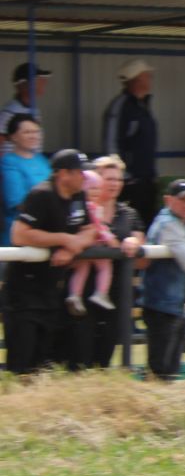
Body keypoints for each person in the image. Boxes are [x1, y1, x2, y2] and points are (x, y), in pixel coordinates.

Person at [4, 149, 94, 372]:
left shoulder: (78, 196)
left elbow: (91, 230)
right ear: (63, 174)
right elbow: (19, 234)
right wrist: (63, 239)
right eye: (80, 172)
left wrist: (72, 248)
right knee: (22, 363)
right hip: (23, 293)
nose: (85, 177)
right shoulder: (41, 195)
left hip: (51, 291)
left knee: (44, 363)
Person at [69, 155, 142, 368]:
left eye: (118, 179)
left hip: (115, 295)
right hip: (82, 294)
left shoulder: (128, 213)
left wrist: (132, 241)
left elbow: (139, 241)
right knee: (79, 357)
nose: (114, 184)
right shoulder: (80, 210)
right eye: (108, 178)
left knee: (105, 355)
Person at [143, 179, 185, 380]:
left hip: (172, 304)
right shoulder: (169, 224)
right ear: (168, 200)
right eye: (182, 200)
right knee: (162, 369)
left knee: (170, 368)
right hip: (163, 305)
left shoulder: (183, 222)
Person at [101, 58, 159, 222]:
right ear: (138, 78)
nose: (150, 79)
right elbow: (111, 143)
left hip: (147, 181)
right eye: (147, 75)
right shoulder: (121, 106)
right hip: (129, 184)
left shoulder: (143, 106)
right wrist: (121, 177)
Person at [65, 168, 118, 317]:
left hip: (83, 245)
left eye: (98, 188)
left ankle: (75, 295)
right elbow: (98, 226)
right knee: (105, 266)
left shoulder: (77, 206)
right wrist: (110, 239)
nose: (96, 192)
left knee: (83, 268)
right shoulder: (90, 207)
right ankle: (101, 292)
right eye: (92, 188)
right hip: (93, 243)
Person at [4, 114, 50, 243]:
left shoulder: (42, 160)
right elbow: (16, 201)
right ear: (14, 137)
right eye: (27, 132)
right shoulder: (8, 162)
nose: (33, 136)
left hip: (45, 229)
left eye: (36, 132)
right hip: (21, 233)